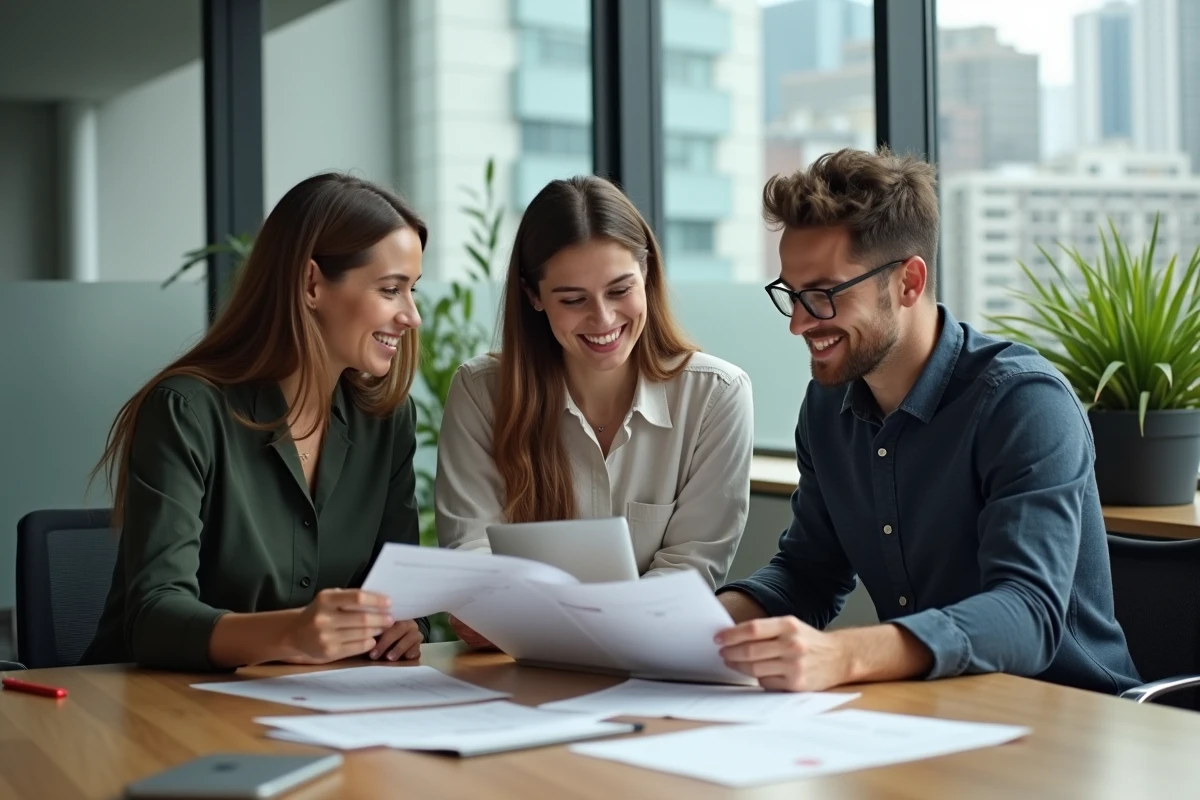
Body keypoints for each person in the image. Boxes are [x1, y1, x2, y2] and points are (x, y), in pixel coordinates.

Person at [714, 147, 1141, 695]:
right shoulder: (827, 406)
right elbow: (808, 572)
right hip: (934, 710)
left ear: (908, 283)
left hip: (1072, 717)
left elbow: (1028, 613)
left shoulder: (1023, 403)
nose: (798, 323)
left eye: (821, 295)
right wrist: (707, 625)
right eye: (791, 295)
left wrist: (844, 655)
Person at [81, 173, 430, 671]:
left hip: (319, 706)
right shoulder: (186, 411)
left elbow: (399, 594)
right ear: (312, 284)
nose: (411, 315)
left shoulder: (388, 420)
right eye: (391, 289)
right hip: (156, 710)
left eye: (412, 289)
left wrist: (407, 627)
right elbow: (154, 618)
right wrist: (292, 632)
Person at [436, 175, 754, 648]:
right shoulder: (482, 393)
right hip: (512, 671)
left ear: (647, 274)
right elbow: (475, 558)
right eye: (573, 300)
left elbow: (688, 570)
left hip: (646, 663)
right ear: (533, 296)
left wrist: (527, 616)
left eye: (619, 289)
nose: (603, 319)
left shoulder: (716, 396)